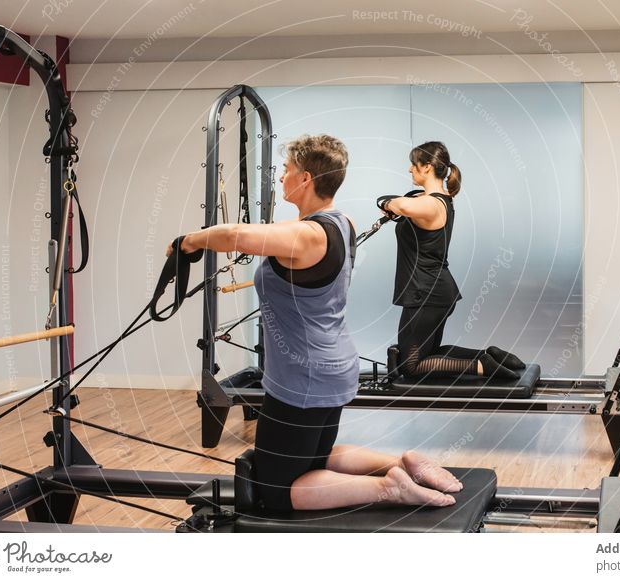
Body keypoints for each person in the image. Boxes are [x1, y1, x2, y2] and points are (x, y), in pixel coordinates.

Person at [170, 135, 461, 512]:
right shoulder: (342, 222)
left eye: (286, 170)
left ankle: (389, 487)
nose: (281, 178)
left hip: (302, 376)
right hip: (330, 367)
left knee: (278, 488)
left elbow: (234, 235)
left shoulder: (307, 235)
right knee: (315, 458)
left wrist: (187, 243)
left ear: (305, 178)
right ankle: (400, 463)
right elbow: (273, 236)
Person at [378, 141, 527, 380]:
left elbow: (402, 204)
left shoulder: (430, 202)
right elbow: (408, 211)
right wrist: (397, 208)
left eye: (413, 164)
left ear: (427, 167)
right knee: (431, 353)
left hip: (424, 292)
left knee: (411, 366)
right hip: (433, 292)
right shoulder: (440, 199)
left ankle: (483, 366)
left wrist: (386, 202)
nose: (409, 169)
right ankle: (490, 354)